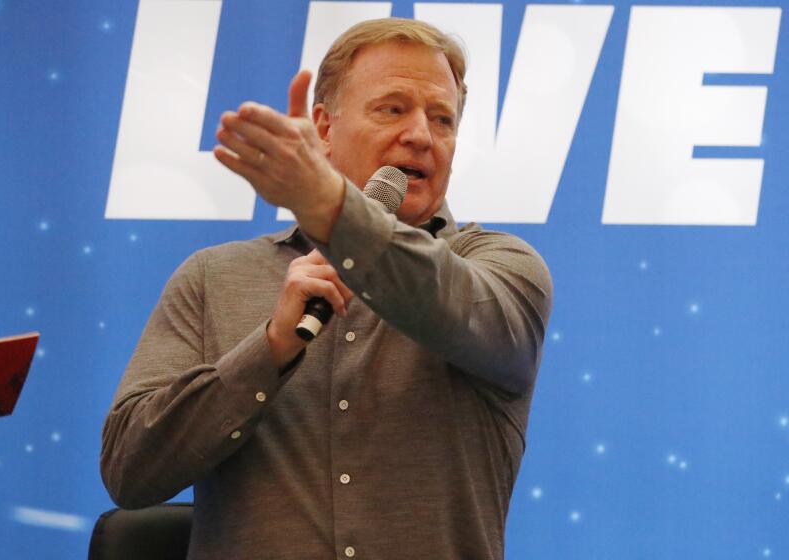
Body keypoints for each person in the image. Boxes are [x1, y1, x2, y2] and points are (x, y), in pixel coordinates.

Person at [101, 17, 552, 560]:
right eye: (392, 108)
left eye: (443, 119)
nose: (420, 135)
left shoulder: (502, 268)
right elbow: (130, 473)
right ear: (323, 127)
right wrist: (268, 349)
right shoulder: (212, 279)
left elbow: (449, 305)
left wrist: (333, 211)